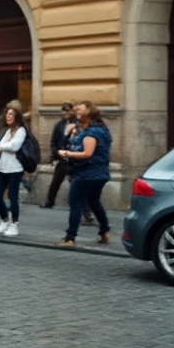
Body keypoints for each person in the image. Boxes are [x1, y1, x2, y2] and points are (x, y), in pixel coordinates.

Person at [56, 101, 112, 248]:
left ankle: (70, 238)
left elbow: (87, 153)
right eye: (76, 111)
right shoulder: (96, 129)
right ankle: (104, 231)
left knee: (75, 203)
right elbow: (67, 143)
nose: (76, 113)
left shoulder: (91, 132)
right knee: (94, 201)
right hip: (100, 173)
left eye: (79, 110)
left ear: (89, 112)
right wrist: (70, 133)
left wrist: (67, 153)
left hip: (86, 173)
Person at [0, 106, 27, 237]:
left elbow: (14, 146)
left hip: (15, 168)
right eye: (7, 114)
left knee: (12, 197)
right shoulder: (8, 131)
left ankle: (14, 224)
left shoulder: (21, 131)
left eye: (11, 114)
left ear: (17, 117)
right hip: (3, 167)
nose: (8, 116)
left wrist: (0, 146)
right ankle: (4, 219)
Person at [42, 102, 76, 208]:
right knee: (55, 181)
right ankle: (49, 201)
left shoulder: (77, 124)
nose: (65, 112)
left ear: (72, 111)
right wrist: (55, 153)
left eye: (68, 110)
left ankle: (84, 209)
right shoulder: (59, 125)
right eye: (64, 110)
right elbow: (53, 141)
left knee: (75, 183)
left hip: (73, 157)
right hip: (62, 158)